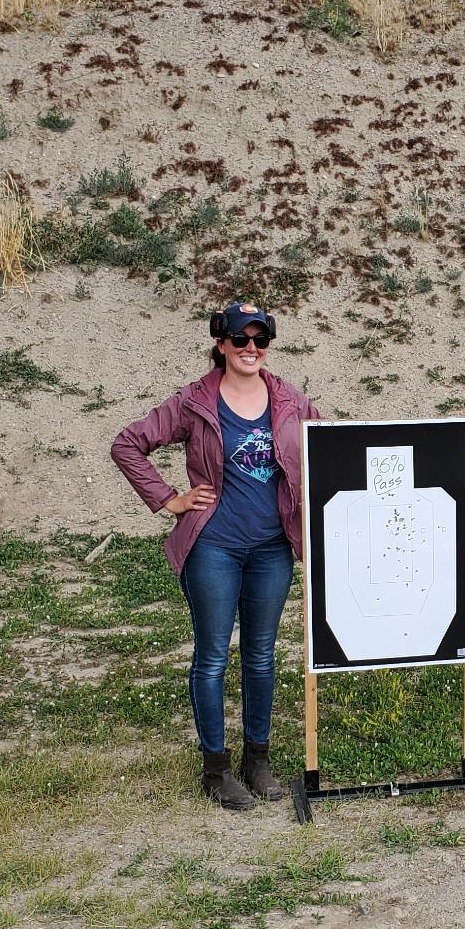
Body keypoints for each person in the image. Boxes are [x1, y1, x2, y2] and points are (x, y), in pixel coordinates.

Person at [111, 302, 320, 810]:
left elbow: (328, 448)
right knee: (212, 658)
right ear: (221, 343)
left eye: (260, 340)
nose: (251, 349)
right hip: (214, 547)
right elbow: (128, 444)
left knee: (262, 656)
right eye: (240, 340)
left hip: (272, 548)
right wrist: (169, 500)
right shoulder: (194, 401)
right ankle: (216, 769)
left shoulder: (291, 400)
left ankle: (258, 761)